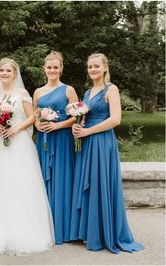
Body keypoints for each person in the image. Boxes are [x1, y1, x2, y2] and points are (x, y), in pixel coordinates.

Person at [0, 58, 54, 254]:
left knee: (20, 183)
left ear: (15, 74)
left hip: (19, 142)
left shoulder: (22, 93)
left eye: (8, 71)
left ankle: (23, 232)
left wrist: (16, 128)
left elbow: (32, 116)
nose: (5, 73)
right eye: (2, 70)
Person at [70, 53, 144, 253]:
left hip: (102, 141)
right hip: (87, 141)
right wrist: (78, 127)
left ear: (105, 68)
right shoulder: (87, 93)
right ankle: (90, 232)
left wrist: (87, 131)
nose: (92, 70)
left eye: (96, 66)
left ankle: (104, 234)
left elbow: (115, 119)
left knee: (101, 183)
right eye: (90, 67)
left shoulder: (112, 89)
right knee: (91, 184)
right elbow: (85, 116)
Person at [34, 51, 78, 244]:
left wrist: (57, 125)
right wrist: (37, 125)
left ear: (61, 69)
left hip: (61, 139)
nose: (52, 70)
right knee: (42, 179)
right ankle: (44, 227)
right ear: (44, 69)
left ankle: (63, 228)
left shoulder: (69, 90)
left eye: (55, 67)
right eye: (49, 67)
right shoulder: (38, 92)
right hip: (43, 140)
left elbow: (77, 116)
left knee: (62, 178)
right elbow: (35, 115)